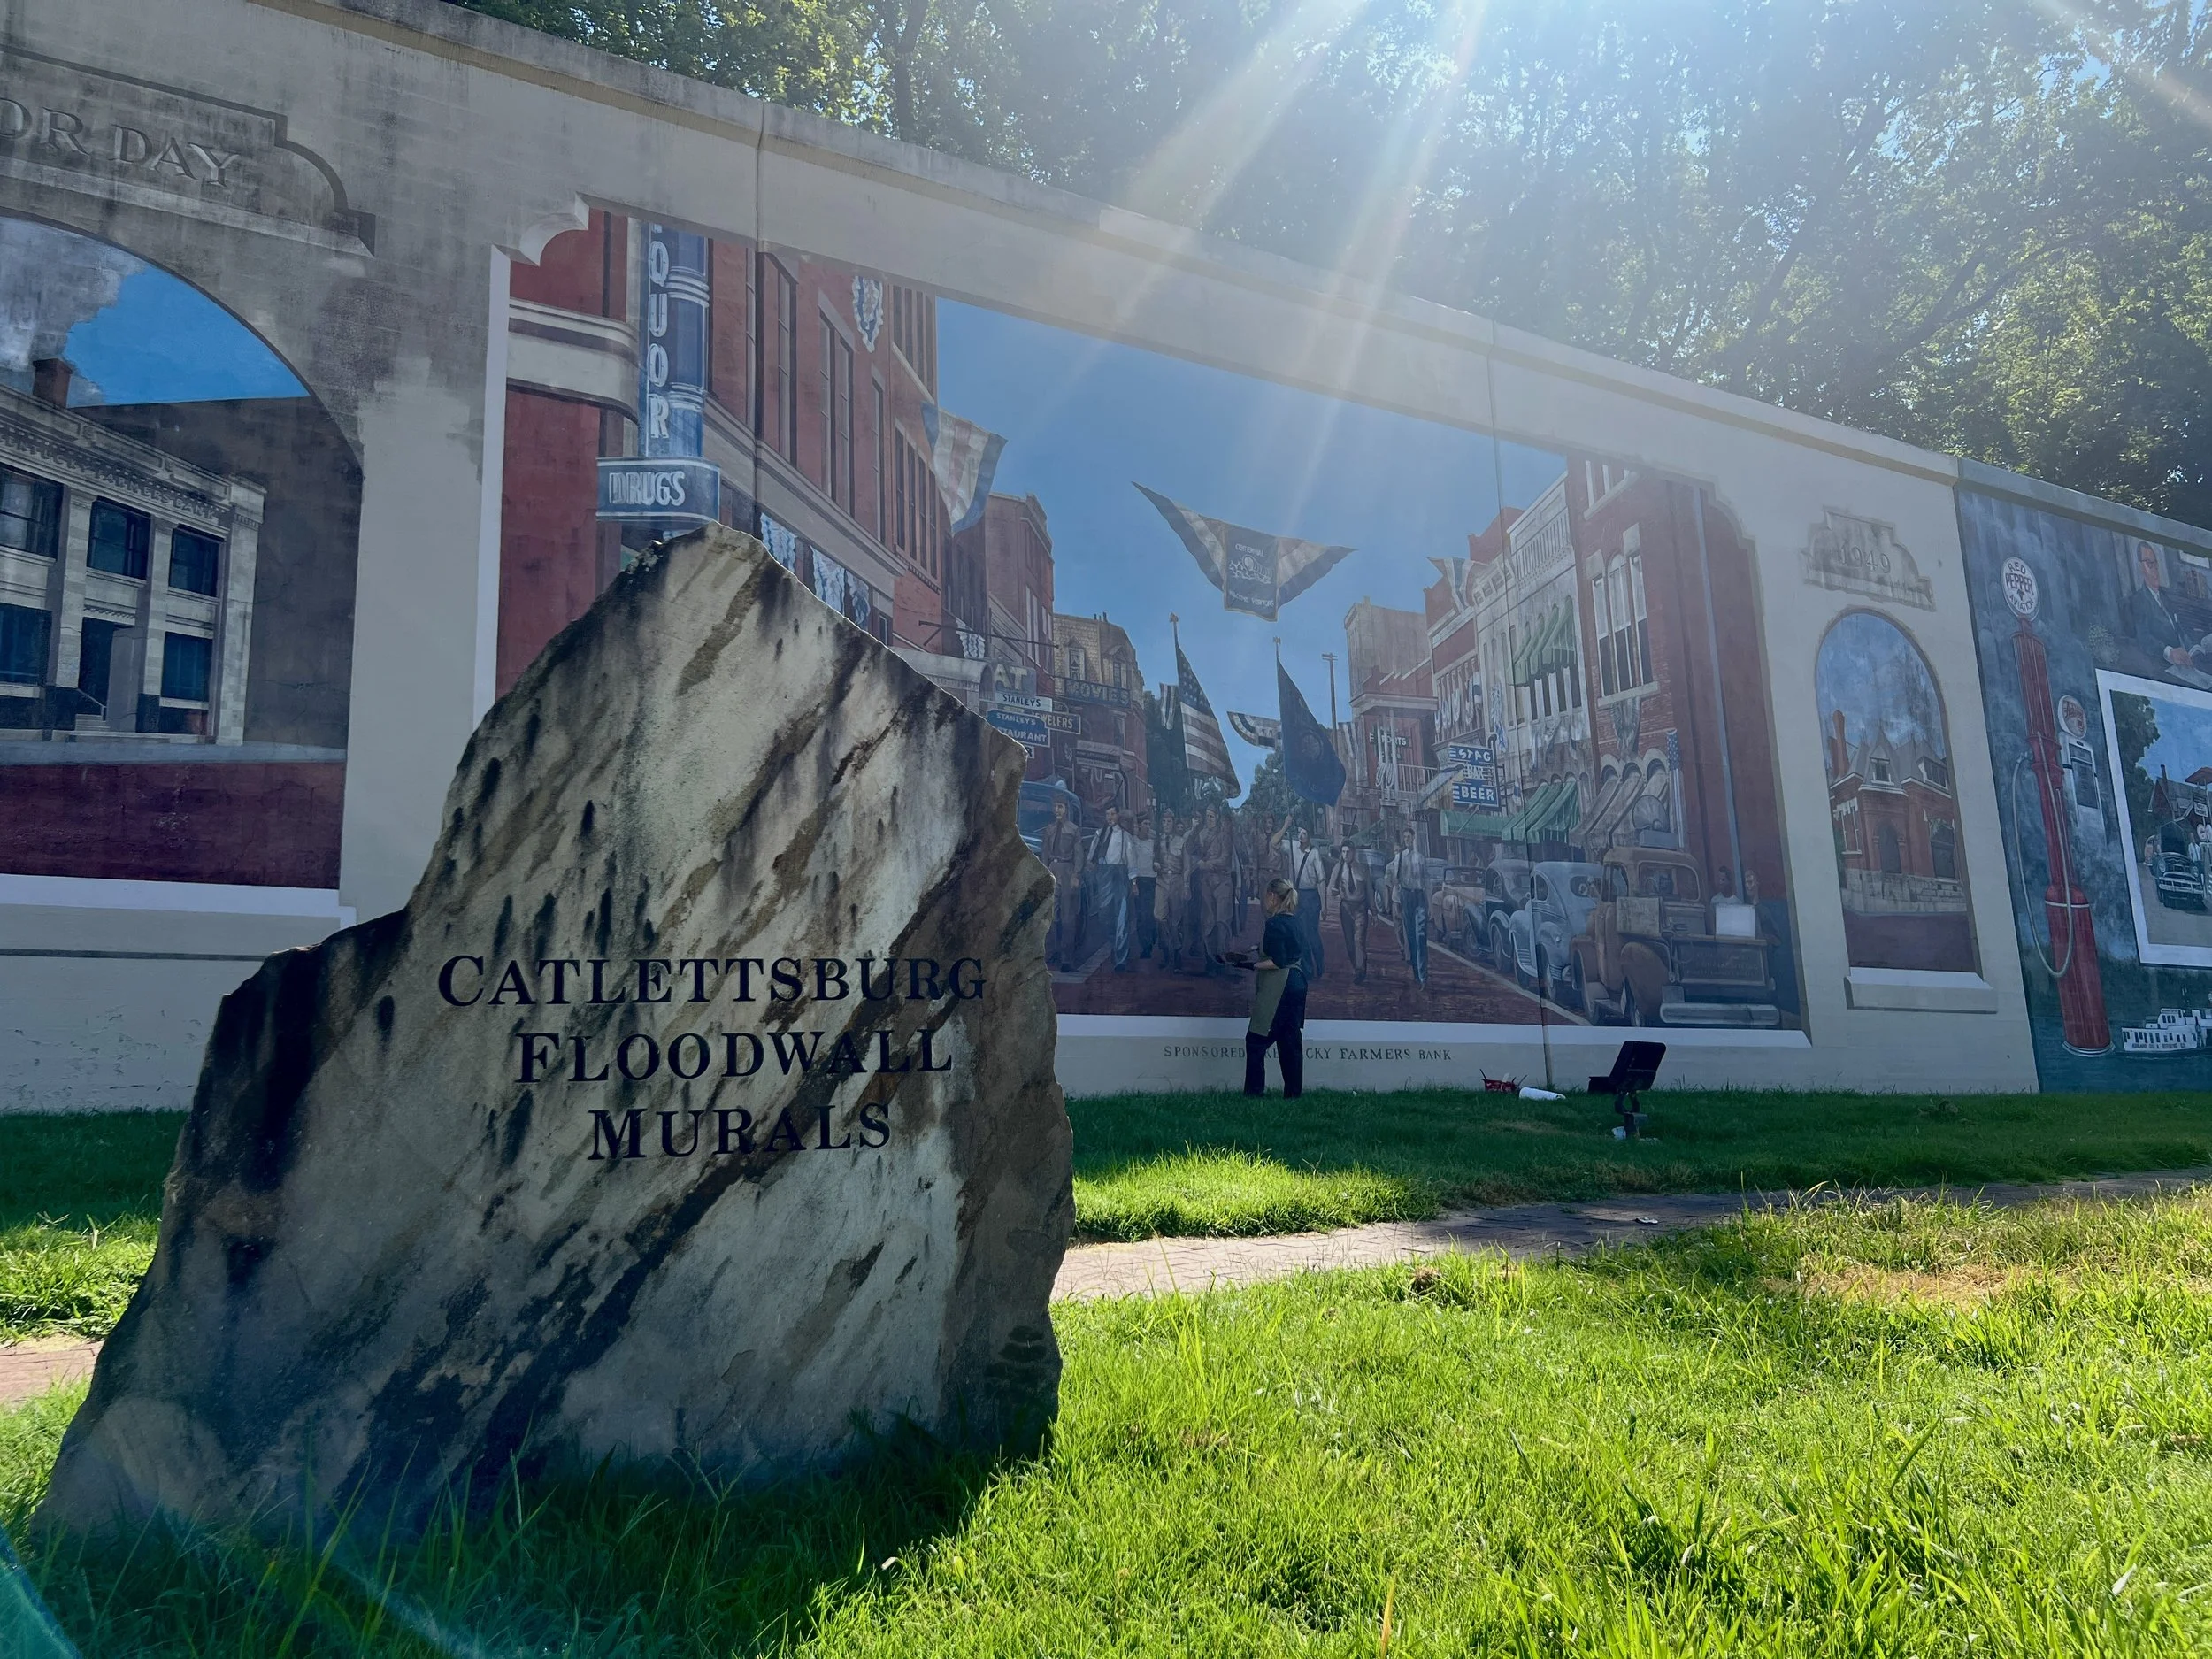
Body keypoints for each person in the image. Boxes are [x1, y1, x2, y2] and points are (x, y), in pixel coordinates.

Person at [1242, 876, 1309, 1098]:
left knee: (1256, 1040)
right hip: (1298, 983)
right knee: (1290, 1040)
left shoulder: (1274, 923)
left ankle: (1254, 1093)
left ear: (1272, 896)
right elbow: (1290, 949)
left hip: (1279, 986)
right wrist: (1256, 948)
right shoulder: (1296, 921)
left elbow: (1278, 960)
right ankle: (1293, 1095)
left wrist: (1252, 965)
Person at [1088, 803, 1135, 972]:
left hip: (1120, 875)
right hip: (1104, 875)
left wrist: (1134, 882)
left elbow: (1131, 860)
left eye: (1113, 814)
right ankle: (1114, 944)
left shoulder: (1125, 836)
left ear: (1118, 816)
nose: (1110, 817)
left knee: (1121, 916)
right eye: (1107, 814)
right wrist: (1092, 866)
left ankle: (1121, 959)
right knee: (1104, 915)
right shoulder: (1100, 834)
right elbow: (1091, 857)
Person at [1041, 796, 1084, 971]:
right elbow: (1045, 853)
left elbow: (1079, 854)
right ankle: (1053, 952)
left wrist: (1076, 875)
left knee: (1068, 917)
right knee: (1051, 916)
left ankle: (1067, 958)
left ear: (1066, 809)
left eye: (1060, 807)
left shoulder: (1074, 830)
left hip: (1067, 870)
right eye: (1055, 807)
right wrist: (1044, 873)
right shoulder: (1049, 829)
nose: (1057, 810)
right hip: (1053, 868)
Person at [1279, 822, 1328, 980]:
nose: (1301, 836)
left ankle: (1320, 966)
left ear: (1310, 837)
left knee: (1312, 934)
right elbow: (1275, 843)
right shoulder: (1292, 846)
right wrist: (1286, 825)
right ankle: (1308, 970)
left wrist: (1324, 906)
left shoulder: (1314, 853)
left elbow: (1321, 880)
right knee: (1301, 935)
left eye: (1304, 833)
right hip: (1297, 895)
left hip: (1311, 897)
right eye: (1299, 833)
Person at [1383, 826, 1430, 987]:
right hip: (1406, 896)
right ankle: (1417, 973)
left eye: (1409, 837)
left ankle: (1423, 975)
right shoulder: (1399, 858)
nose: (1407, 840)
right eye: (1405, 837)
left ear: (1414, 838)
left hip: (1419, 896)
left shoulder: (1420, 858)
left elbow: (1426, 880)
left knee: (1421, 935)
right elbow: (1393, 880)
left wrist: (1428, 903)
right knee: (1411, 936)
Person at [1198, 803, 1235, 968]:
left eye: (1212, 816)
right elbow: (1194, 854)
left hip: (1222, 882)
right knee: (1208, 920)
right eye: (1207, 816)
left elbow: (1225, 859)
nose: (1209, 819)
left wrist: (1206, 864)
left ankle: (1222, 954)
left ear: (1217, 818)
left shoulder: (1224, 836)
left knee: (1222, 920)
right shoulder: (1201, 835)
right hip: (1206, 881)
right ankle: (1209, 957)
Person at [1330, 835, 1371, 984]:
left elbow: (1369, 890)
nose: (1345, 855)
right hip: (1345, 907)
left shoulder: (1363, 868)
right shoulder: (1338, 868)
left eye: (1348, 852)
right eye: (1343, 852)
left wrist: (1374, 910)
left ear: (1354, 852)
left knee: (1359, 939)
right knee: (1349, 942)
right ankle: (1356, 966)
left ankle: (1360, 970)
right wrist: (1334, 890)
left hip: (1360, 907)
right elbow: (1331, 889)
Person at [1129, 811, 1157, 964]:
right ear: (1139, 825)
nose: (1148, 826)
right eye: (1145, 824)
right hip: (1139, 880)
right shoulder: (1133, 842)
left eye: (1149, 824)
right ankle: (1145, 946)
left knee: (1151, 913)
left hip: (1152, 880)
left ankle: (1153, 936)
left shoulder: (1153, 842)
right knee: (1141, 914)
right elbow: (1131, 862)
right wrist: (1133, 883)